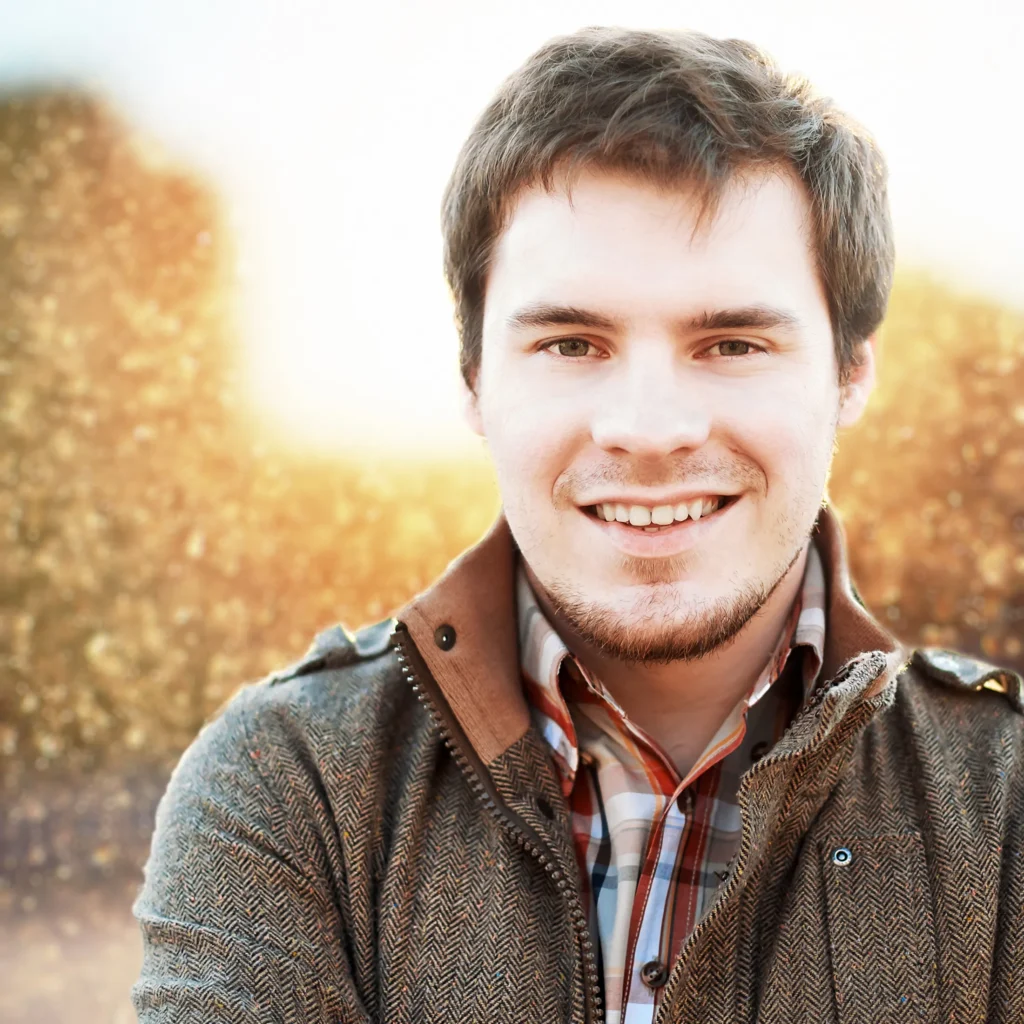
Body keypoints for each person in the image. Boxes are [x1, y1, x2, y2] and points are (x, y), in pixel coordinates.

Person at [132, 26, 1024, 1024]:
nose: (647, 430)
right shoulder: (291, 786)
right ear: (474, 380)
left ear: (850, 372)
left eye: (730, 342)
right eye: (570, 343)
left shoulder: (1006, 806)